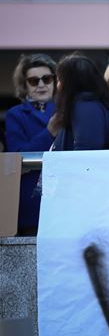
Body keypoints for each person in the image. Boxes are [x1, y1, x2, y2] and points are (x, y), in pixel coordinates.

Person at [5, 53, 57, 235]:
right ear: (24, 86)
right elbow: (17, 155)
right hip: (31, 202)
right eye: (34, 81)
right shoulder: (15, 114)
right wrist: (49, 132)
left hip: (63, 198)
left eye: (47, 79)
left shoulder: (67, 109)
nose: (42, 85)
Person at [49, 54, 109, 151]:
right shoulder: (93, 103)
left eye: (60, 80)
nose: (58, 85)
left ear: (70, 83)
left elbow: (86, 152)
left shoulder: (86, 107)